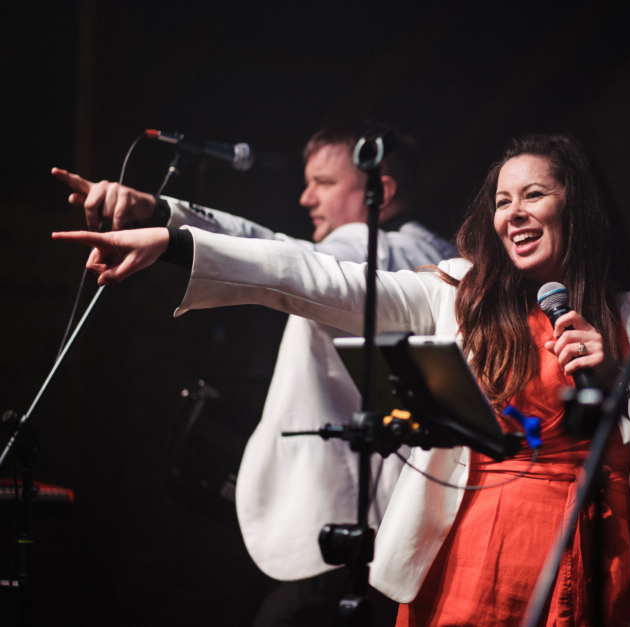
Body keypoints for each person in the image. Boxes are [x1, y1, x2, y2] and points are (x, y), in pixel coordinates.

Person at [52, 133, 630, 625]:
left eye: (534, 195)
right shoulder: (458, 295)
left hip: (604, 557)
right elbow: (308, 275)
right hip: (474, 556)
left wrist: (620, 382)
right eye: (501, 200)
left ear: (578, 205)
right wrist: (176, 241)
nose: (513, 214)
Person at [52, 122, 457, 627]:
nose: (307, 197)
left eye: (325, 183)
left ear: (382, 191)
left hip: (341, 530)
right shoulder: (439, 256)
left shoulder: (365, 244)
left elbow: (278, 256)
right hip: (401, 530)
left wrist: (163, 217)